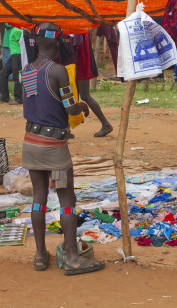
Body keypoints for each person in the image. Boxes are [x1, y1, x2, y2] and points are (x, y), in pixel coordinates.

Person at [22, 22, 105, 275]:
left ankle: (39, 255)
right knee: (67, 201)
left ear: (35, 43)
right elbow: (69, 107)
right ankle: (72, 258)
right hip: (54, 147)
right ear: (57, 44)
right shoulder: (57, 71)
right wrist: (81, 107)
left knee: (39, 200)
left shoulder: (26, 69)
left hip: (31, 143)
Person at [0, 26, 23, 104]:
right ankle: (4, 97)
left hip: (17, 55)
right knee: (3, 74)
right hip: (13, 55)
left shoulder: (16, 29)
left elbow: (22, 43)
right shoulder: (13, 29)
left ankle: (19, 98)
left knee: (17, 77)